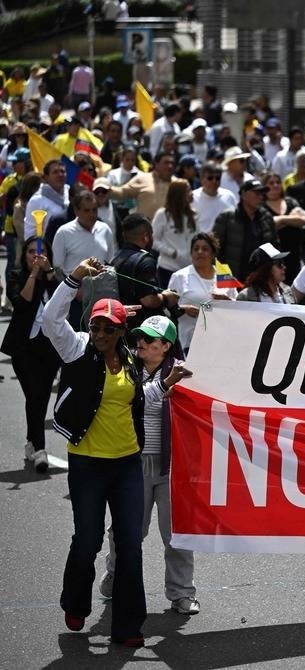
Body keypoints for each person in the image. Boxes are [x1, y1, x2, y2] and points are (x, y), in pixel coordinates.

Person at [41, 258, 148, 647]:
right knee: (88, 539)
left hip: (127, 464)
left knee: (130, 544)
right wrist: (74, 279)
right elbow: (52, 319)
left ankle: (128, 626)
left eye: (108, 328)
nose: (100, 332)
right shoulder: (76, 350)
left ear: (121, 331)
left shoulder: (133, 360)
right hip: (87, 463)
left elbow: (143, 401)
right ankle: (75, 603)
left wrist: (167, 384)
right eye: (95, 326)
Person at [98, 315, 197, 616]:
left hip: (173, 467)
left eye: (149, 339)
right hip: (133, 465)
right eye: (140, 336)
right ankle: (116, 574)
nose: (140, 342)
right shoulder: (124, 369)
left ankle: (181, 593)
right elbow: (130, 404)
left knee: (177, 534)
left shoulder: (187, 373)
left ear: (166, 346)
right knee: (127, 531)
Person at [1, 236, 62, 472]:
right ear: (23, 255)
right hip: (23, 347)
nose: (35, 256)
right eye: (30, 252)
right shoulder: (17, 275)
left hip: (50, 346)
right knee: (35, 395)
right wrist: (34, 274)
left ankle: (31, 441)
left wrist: (48, 273)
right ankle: (40, 450)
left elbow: (61, 300)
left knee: (40, 398)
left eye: (40, 251)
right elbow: (22, 301)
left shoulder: (52, 276)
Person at [164, 233, 236, 352]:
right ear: (191, 253)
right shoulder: (180, 276)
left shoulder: (224, 273)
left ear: (213, 254)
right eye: (196, 249)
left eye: (205, 249)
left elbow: (238, 307)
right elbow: (166, 309)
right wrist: (182, 309)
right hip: (190, 341)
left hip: (221, 340)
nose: (200, 252)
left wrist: (227, 301)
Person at [211, 178, 277, 281]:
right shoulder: (227, 217)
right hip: (232, 278)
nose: (260, 197)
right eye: (256, 193)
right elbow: (215, 250)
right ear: (243, 194)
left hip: (260, 279)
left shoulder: (266, 217)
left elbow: (274, 247)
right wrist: (224, 279)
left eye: (262, 193)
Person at [260, 170, 305, 278]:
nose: (275, 185)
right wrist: (290, 219)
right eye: (271, 183)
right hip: (273, 257)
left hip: (294, 255)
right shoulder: (261, 206)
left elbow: (303, 220)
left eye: (278, 182)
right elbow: (268, 225)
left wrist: (280, 220)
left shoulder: (290, 202)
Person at [151, 180, 198, 289]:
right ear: (179, 194)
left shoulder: (194, 215)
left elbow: (196, 238)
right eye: (188, 190)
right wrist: (172, 252)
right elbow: (153, 240)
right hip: (168, 268)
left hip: (189, 269)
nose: (192, 193)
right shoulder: (163, 214)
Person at [191, 161, 237, 233]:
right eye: (210, 178)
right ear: (202, 179)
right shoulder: (192, 198)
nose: (214, 181)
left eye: (217, 178)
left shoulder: (229, 196)